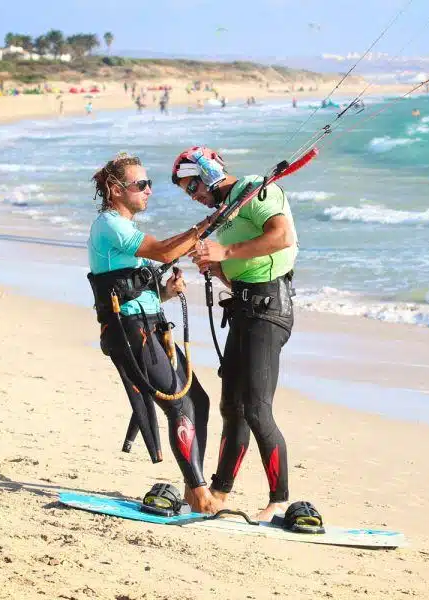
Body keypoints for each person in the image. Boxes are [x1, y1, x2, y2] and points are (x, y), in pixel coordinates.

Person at [88, 152, 223, 514]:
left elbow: (132, 284)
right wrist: (207, 224)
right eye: (142, 185)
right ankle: (198, 492)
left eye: (149, 184)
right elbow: (164, 252)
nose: (149, 191)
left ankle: (194, 483)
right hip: (131, 333)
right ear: (116, 190)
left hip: (152, 326)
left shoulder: (125, 228)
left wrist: (166, 292)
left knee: (200, 401)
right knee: (179, 406)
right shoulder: (110, 225)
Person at [171, 147, 298, 521]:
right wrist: (214, 263)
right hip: (242, 308)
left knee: (257, 408)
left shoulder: (257, 189)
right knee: (232, 409)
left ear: (208, 172)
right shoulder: (224, 214)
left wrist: (224, 249)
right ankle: (220, 492)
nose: (192, 195)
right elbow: (232, 270)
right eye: (186, 191)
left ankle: (280, 501)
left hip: (270, 307)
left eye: (192, 186)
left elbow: (281, 236)